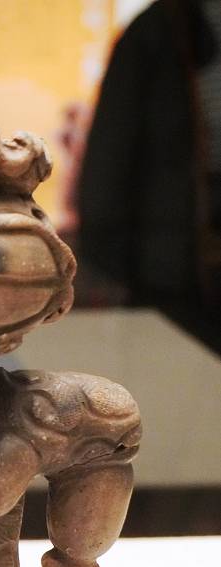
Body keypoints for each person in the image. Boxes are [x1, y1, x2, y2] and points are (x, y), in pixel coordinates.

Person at [78, 0, 221, 343]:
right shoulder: (160, 31)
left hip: (173, 261)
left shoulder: (160, 28)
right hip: (173, 268)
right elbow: (110, 153)